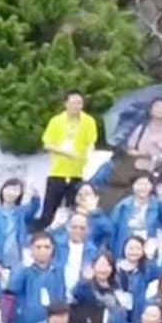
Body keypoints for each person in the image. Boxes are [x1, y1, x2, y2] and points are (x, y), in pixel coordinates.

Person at [39, 91, 98, 226]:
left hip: (77, 173)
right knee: (49, 211)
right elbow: (47, 144)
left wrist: (88, 158)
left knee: (75, 211)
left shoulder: (88, 121)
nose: (76, 106)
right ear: (65, 104)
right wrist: (66, 152)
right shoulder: (56, 121)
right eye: (73, 103)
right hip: (57, 172)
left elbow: (91, 143)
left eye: (79, 103)